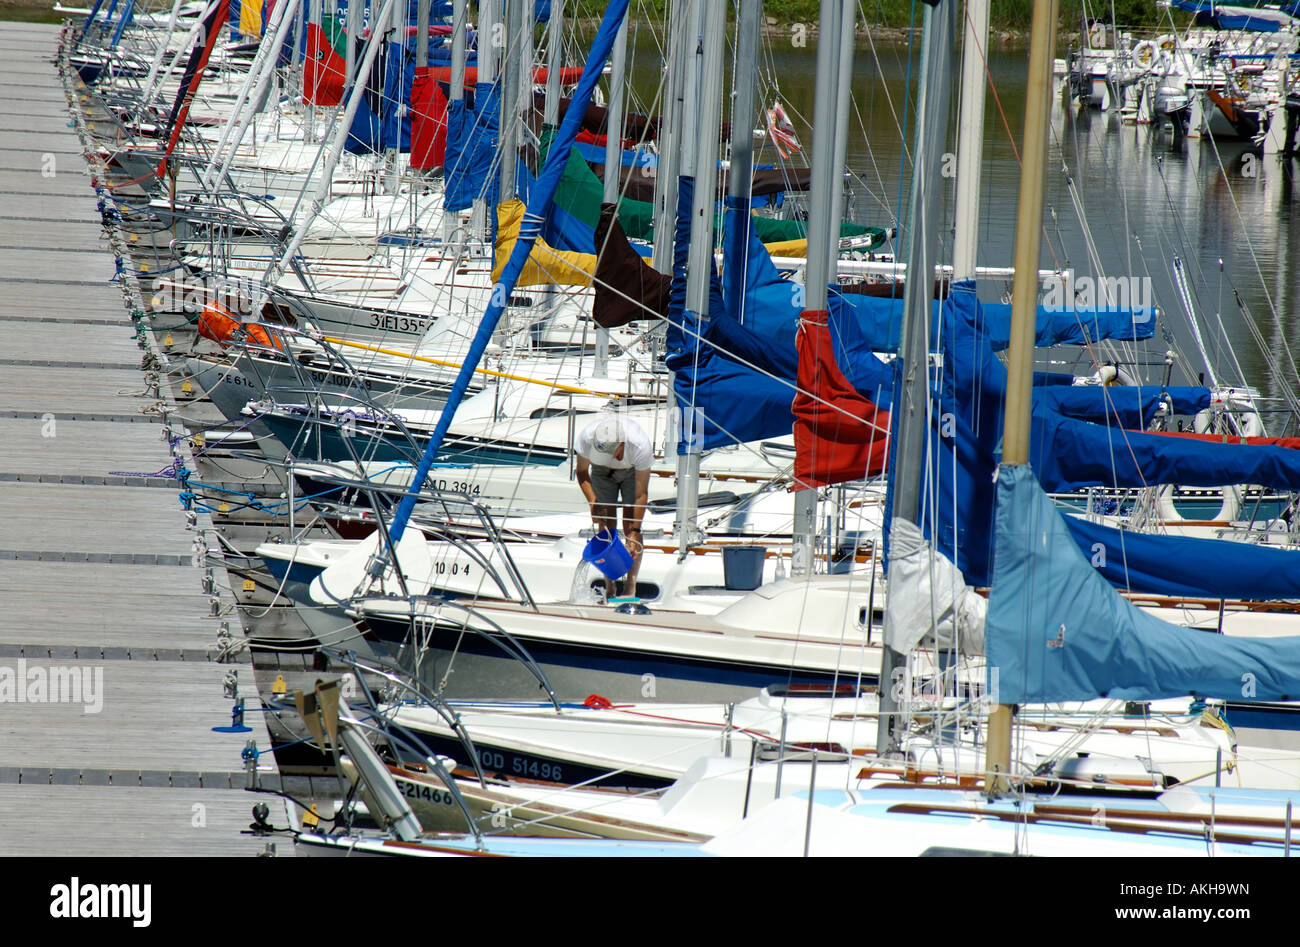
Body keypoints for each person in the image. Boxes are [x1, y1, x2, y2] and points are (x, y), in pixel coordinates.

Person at [574, 415, 652, 599]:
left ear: (623, 444)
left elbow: (641, 494)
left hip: (631, 469)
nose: (608, 457)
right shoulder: (586, 438)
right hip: (601, 471)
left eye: (611, 452)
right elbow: (582, 472)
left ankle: (630, 586)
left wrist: (635, 531)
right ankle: (610, 586)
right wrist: (594, 502)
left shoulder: (640, 445)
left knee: (629, 528)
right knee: (605, 526)